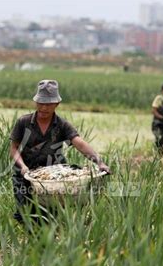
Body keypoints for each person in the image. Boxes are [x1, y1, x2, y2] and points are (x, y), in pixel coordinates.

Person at [9, 79, 111, 223]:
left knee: (51, 214)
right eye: (41, 103)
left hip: (52, 177)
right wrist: (23, 166)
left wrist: (100, 162)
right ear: (36, 102)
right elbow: (13, 149)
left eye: (48, 104)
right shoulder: (23, 122)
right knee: (25, 214)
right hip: (25, 175)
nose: (44, 108)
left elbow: (79, 144)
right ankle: (33, 240)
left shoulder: (62, 125)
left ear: (56, 104)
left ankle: (50, 239)